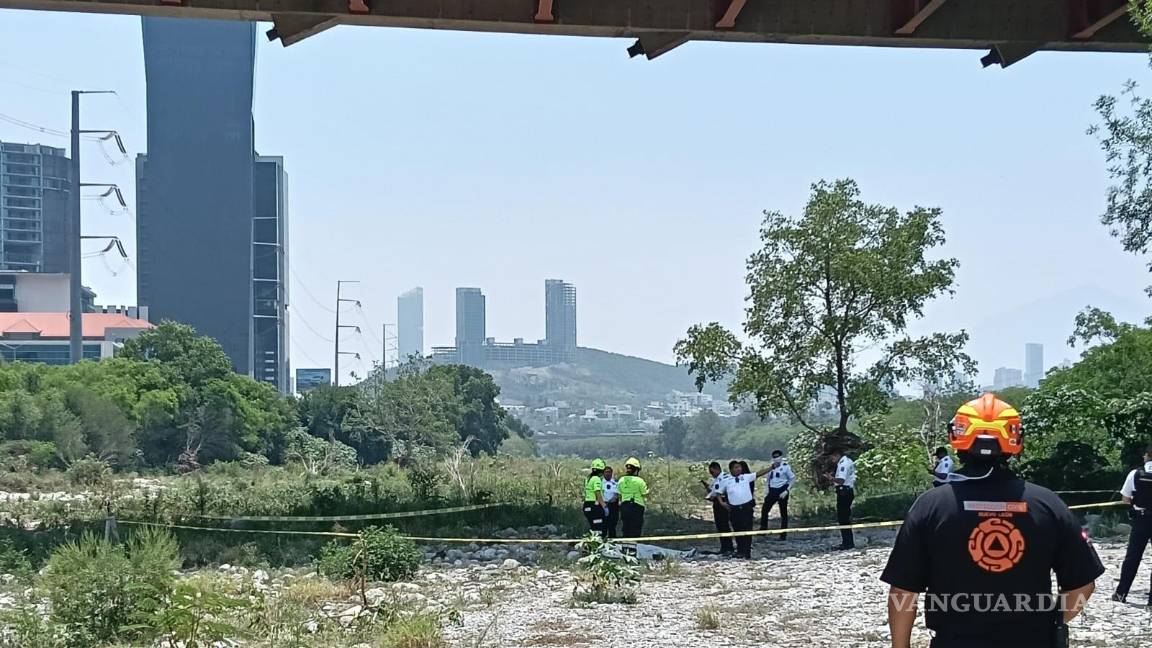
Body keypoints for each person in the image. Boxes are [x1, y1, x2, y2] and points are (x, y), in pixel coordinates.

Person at [881, 392, 1105, 648]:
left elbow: (902, 592)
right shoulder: (1049, 504)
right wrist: (1051, 623)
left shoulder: (930, 506)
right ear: (1015, 440)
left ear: (956, 436)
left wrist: (901, 646)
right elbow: (1083, 585)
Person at [1112, 444, 1152, 605]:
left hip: (1141, 519)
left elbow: (1125, 498)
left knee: (1133, 557)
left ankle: (1121, 593)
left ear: (1148, 455)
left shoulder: (1136, 474)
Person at [719, 460, 771, 559]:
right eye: (735, 467)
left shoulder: (746, 477)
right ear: (731, 470)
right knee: (737, 529)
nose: (738, 469)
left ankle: (747, 552)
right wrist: (722, 503)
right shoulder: (726, 481)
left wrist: (771, 467)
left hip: (746, 508)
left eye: (739, 467)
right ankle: (740, 550)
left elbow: (759, 473)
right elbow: (717, 491)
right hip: (734, 510)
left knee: (747, 530)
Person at [759, 450, 796, 540]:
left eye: (778, 456)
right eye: (774, 457)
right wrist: (766, 490)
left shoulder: (786, 467)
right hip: (772, 491)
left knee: (783, 513)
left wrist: (787, 490)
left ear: (781, 456)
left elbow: (792, 478)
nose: (776, 458)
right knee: (764, 510)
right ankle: (763, 530)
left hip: (782, 490)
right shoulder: (771, 467)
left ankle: (783, 535)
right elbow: (768, 479)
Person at [826, 448, 857, 550]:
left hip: (844, 492)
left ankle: (847, 543)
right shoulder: (847, 461)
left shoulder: (843, 464)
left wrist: (831, 479)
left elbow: (841, 480)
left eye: (832, 457)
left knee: (843, 518)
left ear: (837, 454)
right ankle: (847, 542)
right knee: (844, 518)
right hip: (846, 491)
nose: (832, 460)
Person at [701, 461, 734, 555]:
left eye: (712, 472)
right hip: (716, 503)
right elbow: (712, 491)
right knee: (720, 526)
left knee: (724, 526)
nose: (712, 474)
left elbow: (722, 492)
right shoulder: (716, 480)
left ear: (717, 469)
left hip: (723, 503)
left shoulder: (725, 478)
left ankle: (728, 547)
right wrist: (706, 487)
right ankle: (724, 547)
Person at [617, 457, 650, 538]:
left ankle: (625, 548)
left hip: (624, 506)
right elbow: (644, 493)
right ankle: (632, 548)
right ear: (636, 470)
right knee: (635, 529)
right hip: (637, 507)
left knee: (626, 528)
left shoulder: (621, 480)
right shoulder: (639, 481)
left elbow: (619, 493)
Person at [583, 458, 607, 537]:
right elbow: (598, 493)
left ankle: (593, 544)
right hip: (594, 506)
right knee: (599, 528)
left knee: (594, 527)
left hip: (587, 505)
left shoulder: (588, 479)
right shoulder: (597, 479)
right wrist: (604, 505)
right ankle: (598, 545)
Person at [602, 465, 620, 539]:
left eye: (609, 472)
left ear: (612, 473)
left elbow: (616, 495)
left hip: (613, 506)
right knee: (603, 526)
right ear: (603, 473)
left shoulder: (615, 483)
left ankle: (612, 542)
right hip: (603, 505)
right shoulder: (600, 483)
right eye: (606, 472)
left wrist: (611, 501)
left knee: (612, 526)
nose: (608, 474)